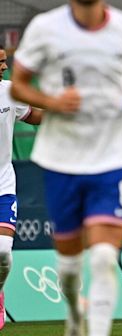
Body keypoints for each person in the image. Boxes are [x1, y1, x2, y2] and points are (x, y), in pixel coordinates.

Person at [10, 0, 122, 335]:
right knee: (70, 265)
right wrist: (53, 102)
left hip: (114, 156)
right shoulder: (44, 29)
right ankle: (74, 312)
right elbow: (19, 84)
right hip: (62, 159)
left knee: (105, 257)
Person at [0, 46, 42, 329]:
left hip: (3, 185)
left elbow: (34, 115)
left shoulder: (9, 92)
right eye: (0, 63)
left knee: (3, 252)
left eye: (5, 62)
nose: (4, 68)